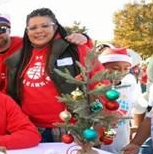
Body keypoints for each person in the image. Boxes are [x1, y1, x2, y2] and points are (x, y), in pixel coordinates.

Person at [6, 8, 90, 142]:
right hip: (32, 129)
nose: (39, 31)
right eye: (33, 28)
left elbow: (98, 81)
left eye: (45, 26)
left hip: (69, 128)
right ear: (27, 32)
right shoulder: (18, 58)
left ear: (55, 27)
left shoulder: (73, 49)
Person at [98, 48, 144, 154]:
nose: (121, 72)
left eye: (126, 68)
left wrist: (135, 130)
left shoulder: (129, 83)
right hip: (98, 145)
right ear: (102, 67)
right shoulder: (96, 88)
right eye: (115, 68)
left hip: (121, 144)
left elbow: (138, 106)